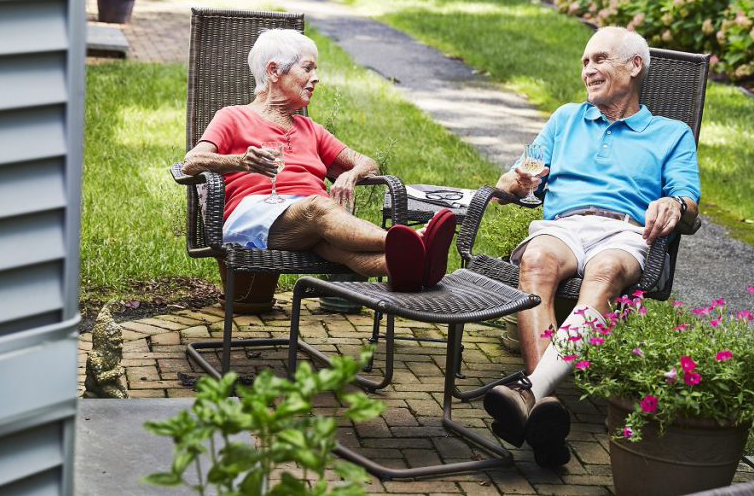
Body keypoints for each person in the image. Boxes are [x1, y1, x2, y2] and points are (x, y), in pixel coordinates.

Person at [482, 26, 700, 467]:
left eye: (600, 59)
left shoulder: (671, 133)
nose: (588, 70)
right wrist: (516, 182)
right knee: (537, 261)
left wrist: (673, 205)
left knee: (602, 275)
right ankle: (539, 400)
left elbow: (689, 203)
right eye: (584, 62)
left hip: (624, 232)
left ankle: (530, 394)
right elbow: (513, 179)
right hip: (562, 224)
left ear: (634, 66)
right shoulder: (565, 119)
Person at [181, 28, 455, 290]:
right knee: (318, 207)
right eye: (308, 68)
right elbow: (192, 162)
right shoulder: (233, 116)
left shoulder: (311, 129)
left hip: (308, 225)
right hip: (254, 220)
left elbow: (367, 161)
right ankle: (416, 240)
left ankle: (417, 265)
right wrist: (240, 161)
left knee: (342, 250)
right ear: (274, 71)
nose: (316, 78)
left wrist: (351, 173)